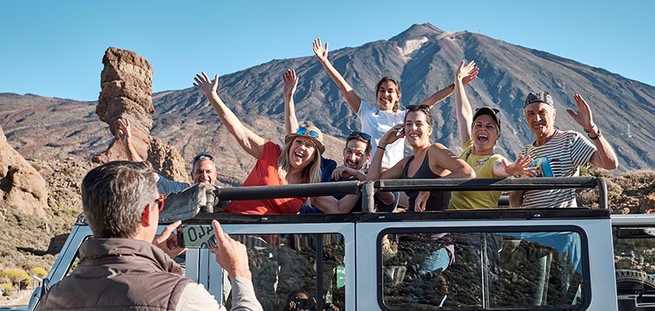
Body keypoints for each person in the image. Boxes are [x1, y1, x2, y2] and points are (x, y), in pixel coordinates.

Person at [36, 161, 262, 311]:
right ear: (147, 214)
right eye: (160, 203)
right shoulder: (181, 298)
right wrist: (240, 274)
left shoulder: (53, 297)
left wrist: (154, 261)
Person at [312, 38, 478, 169]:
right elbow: (343, 87)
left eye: (390, 91)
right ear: (377, 94)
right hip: (369, 171)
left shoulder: (404, 117)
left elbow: (431, 101)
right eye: (382, 90)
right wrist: (325, 62)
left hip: (393, 173)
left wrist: (456, 85)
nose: (385, 94)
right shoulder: (366, 112)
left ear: (397, 96)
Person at [194, 72, 324, 215]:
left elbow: (339, 208)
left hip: (272, 234)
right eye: (298, 142)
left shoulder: (310, 186)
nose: (301, 147)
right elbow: (239, 131)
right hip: (236, 225)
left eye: (309, 145)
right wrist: (213, 96)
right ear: (291, 144)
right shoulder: (271, 153)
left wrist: (353, 174)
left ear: (314, 156)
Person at [281, 68, 396, 213]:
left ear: (368, 157)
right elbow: (298, 143)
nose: (352, 157)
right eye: (349, 151)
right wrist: (288, 98)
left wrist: (357, 175)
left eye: (359, 154)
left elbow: (389, 201)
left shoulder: (370, 181)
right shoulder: (328, 169)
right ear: (343, 152)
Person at [510, 91, 619, 208]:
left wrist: (591, 129)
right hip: (531, 222)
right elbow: (515, 199)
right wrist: (522, 184)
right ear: (525, 117)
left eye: (542, 112)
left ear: (553, 114)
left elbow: (610, 164)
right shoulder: (525, 152)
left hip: (562, 222)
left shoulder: (569, 140)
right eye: (531, 113)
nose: (537, 118)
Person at [448, 61, 532, 209]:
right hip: (454, 224)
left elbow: (502, 168)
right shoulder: (468, 149)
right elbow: (464, 115)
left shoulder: (494, 160)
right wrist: (459, 81)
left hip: (477, 227)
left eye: (489, 127)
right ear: (472, 129)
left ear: (497, 135)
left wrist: (512, 169)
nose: (483, 129)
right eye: (478, 125)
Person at [367, 105, 475, 212]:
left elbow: (467, 173)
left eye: (419, 124)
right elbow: (372, 183)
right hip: (412, 224)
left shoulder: (434, 151)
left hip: (435, 225)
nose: (413, 128)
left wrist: (430, 187)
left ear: (429, 130)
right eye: (408, 124)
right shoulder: (406, 163)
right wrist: (383, 144)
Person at [115, 118, 219, 194]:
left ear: (215, 175)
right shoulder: (181, 191)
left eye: (208, 171)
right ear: (192, 175)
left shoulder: (228, 195)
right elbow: (147, 174)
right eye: (199, 172)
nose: (204, 176)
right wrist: (127, 143)